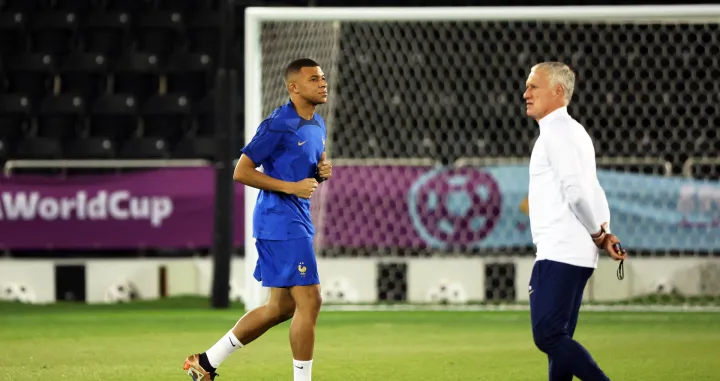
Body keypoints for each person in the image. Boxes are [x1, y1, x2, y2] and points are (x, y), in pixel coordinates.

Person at [183, 58, 332, 381]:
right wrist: (292, 187)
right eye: (313, 79)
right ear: (293, 87)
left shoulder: (318, 124)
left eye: (322, 78)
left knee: (280, 308)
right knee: (311, 299)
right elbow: (242, 171)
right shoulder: (278, 123)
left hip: (296, 218)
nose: (322, 83)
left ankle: (206, 362)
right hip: (278, 220)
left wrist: (321, 173)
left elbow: (307, 173)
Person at [524, 61, 627, 381]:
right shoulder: (575, 132)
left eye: (533, 86)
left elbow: (577, 192)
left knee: (548, 336)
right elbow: (593, 189)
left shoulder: (556, 134)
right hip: (576, 253)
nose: (525, 93)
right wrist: (606, 232)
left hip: (561, 250)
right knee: (560, 339)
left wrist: (598, 232)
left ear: (558, 91)